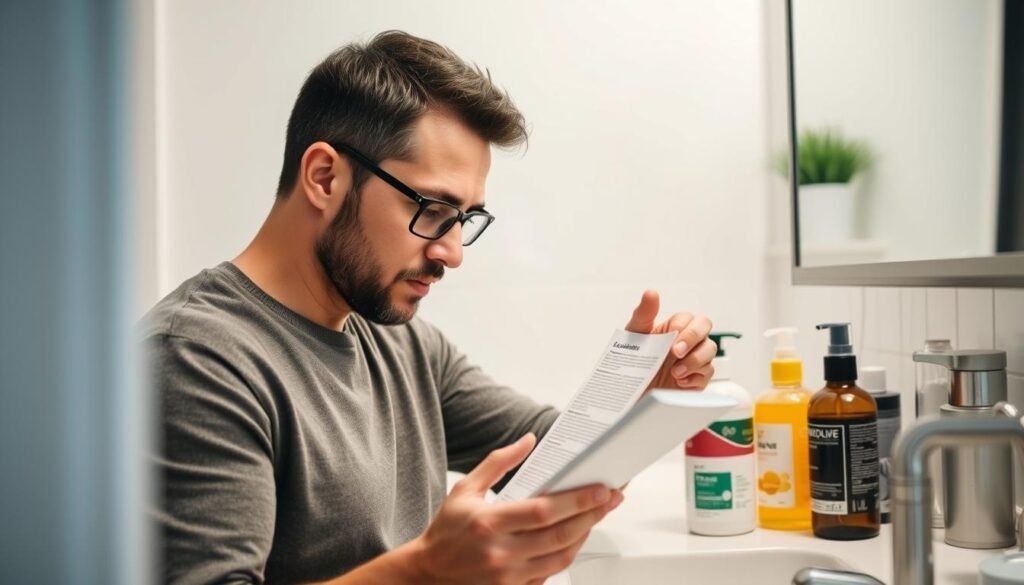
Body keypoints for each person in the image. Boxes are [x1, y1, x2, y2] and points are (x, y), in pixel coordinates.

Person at [142, 30, 716, 585]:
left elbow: (552, 456)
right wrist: (427, 572)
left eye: (466, 219)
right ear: (324, 177)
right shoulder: (196, 360)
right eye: (434, 209)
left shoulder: (402, 342)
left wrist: (642, 396)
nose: (453, 253)